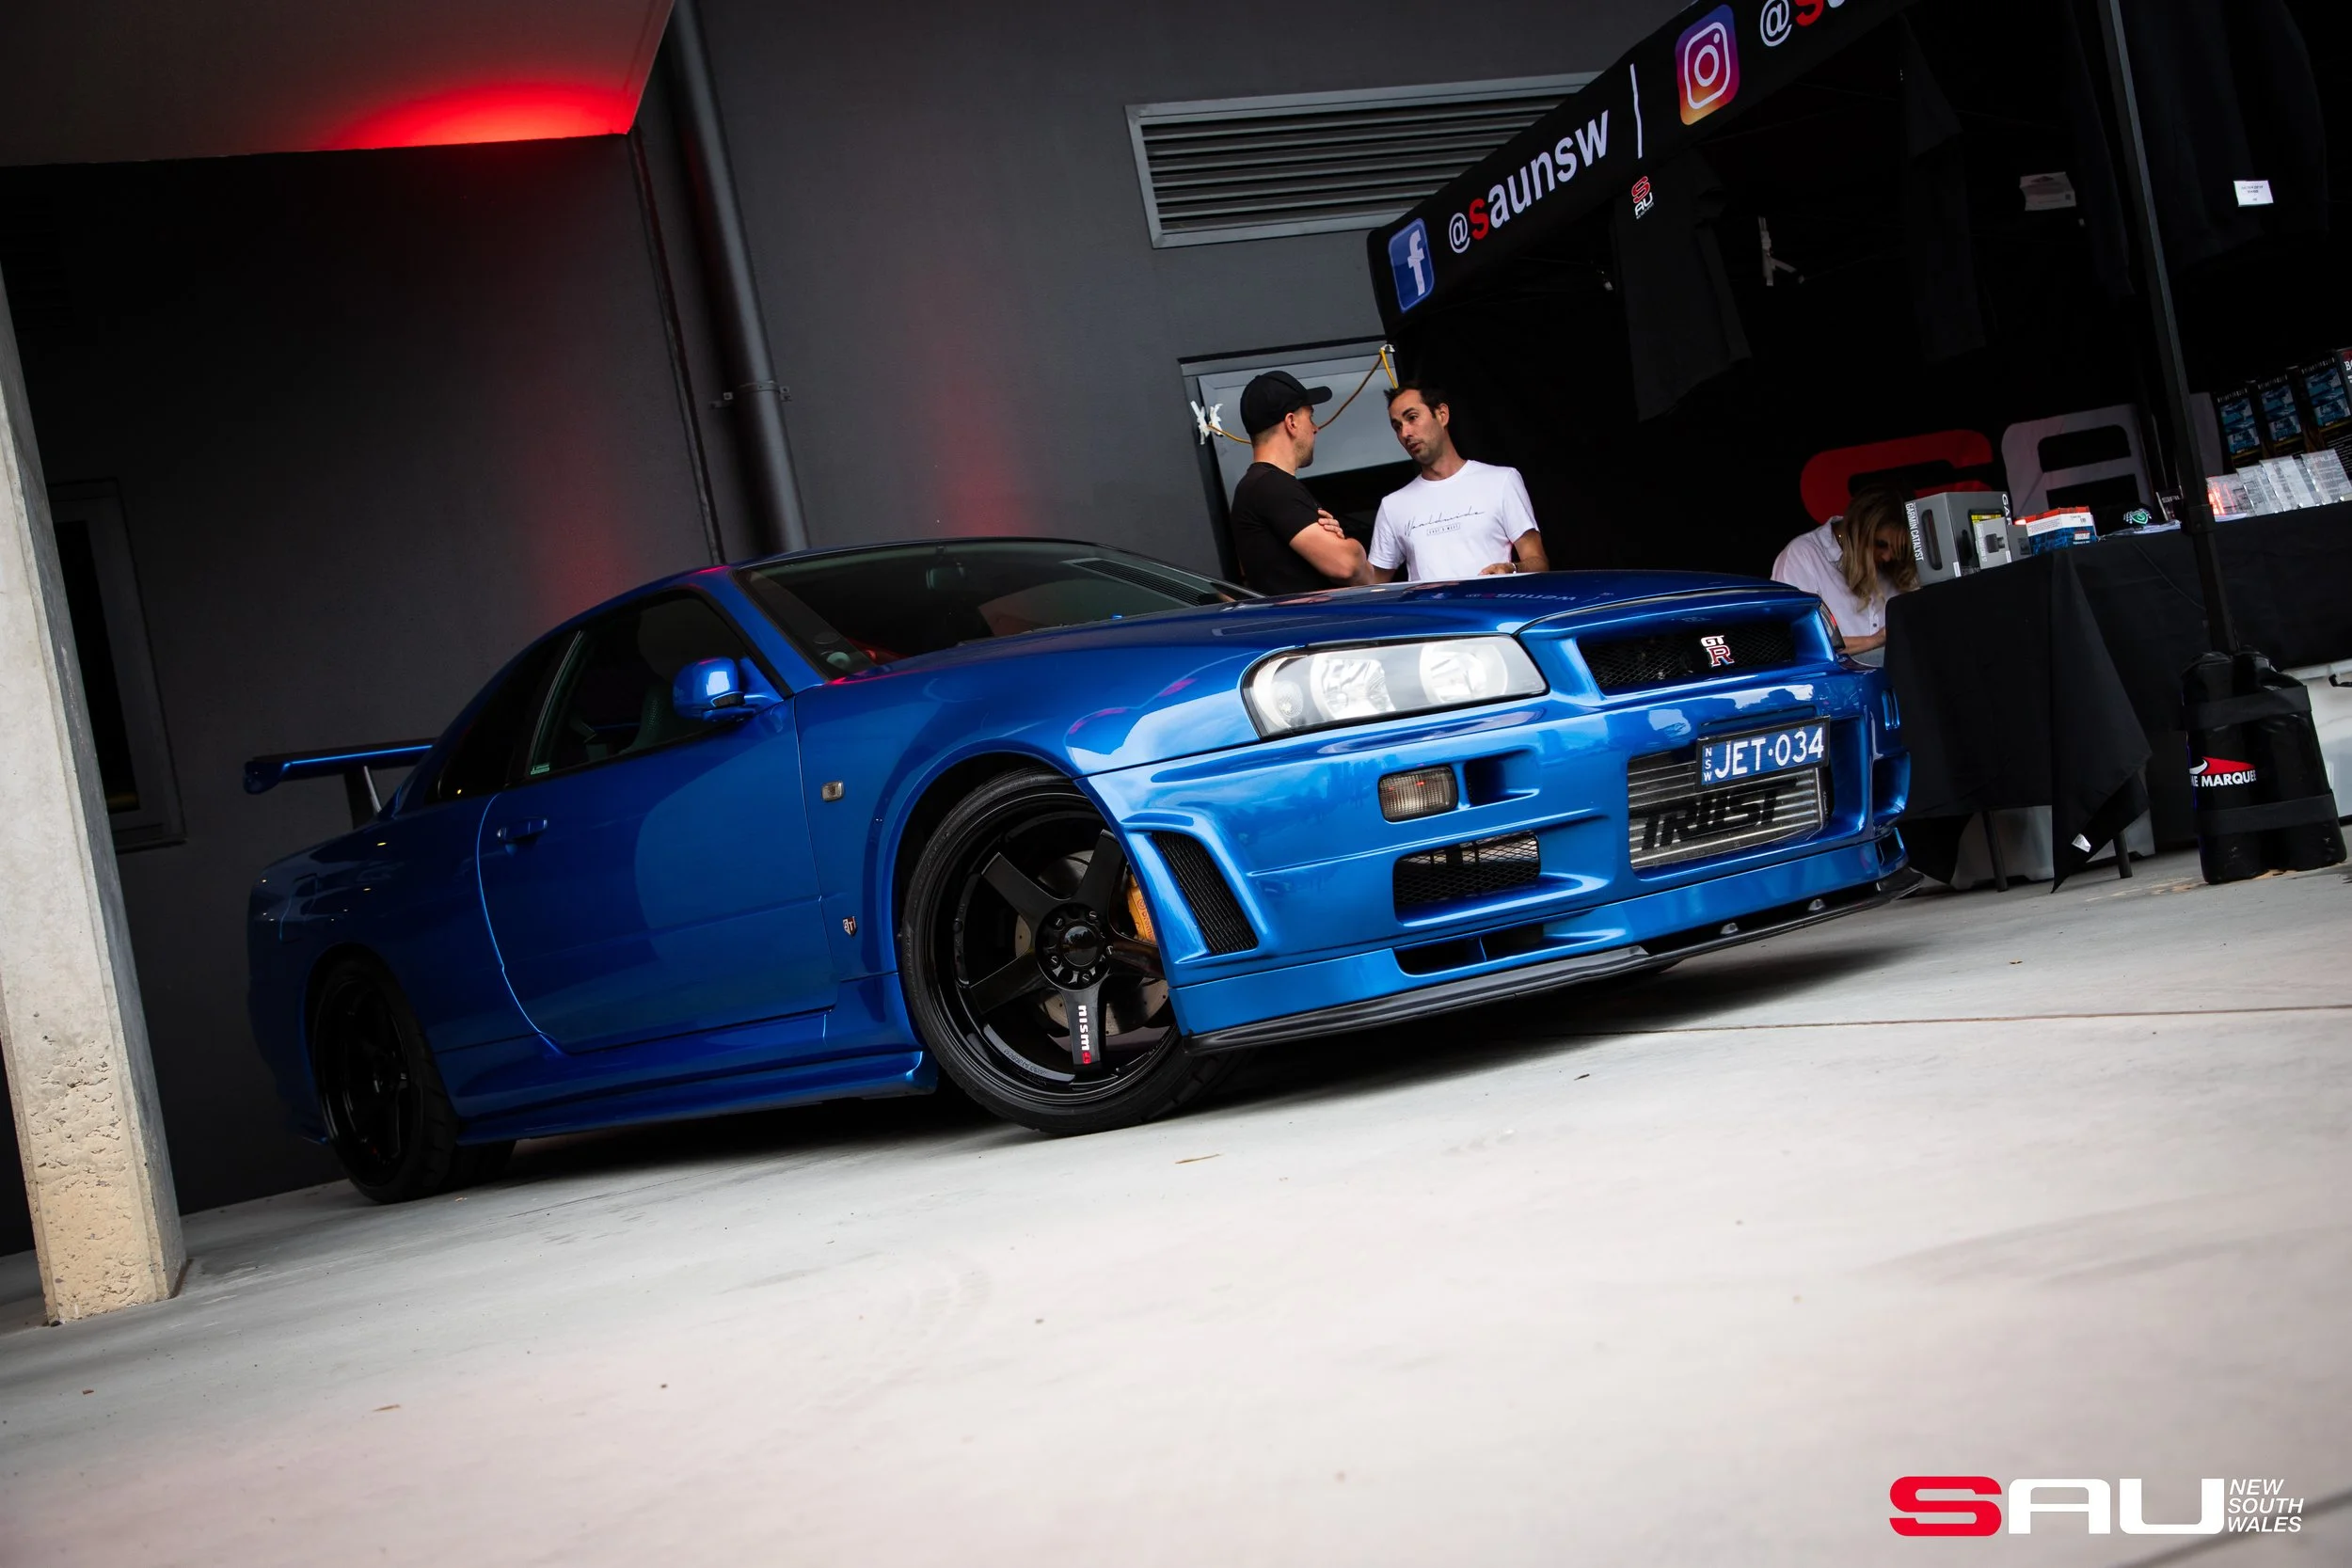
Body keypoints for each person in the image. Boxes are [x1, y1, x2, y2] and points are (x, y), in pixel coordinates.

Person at [1368, 382, 1549, 582]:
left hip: (1494, 602)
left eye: (1412, 418)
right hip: (1430, 605)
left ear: (1442, 415)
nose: (1405, 433)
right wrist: (1346, 555)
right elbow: (1372, 585)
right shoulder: (1393, 506)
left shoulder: (1501, 480)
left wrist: (1511, 568)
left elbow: (1538, 562)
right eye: (1397, 426)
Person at [1225, 371, 1369, 594]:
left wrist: (1341, 546)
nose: (1315, 428)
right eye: (1310, 417)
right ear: (1291, 422)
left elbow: (1365, 577)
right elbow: (1347, 566)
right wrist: (1353, 546)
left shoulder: (1264, 486)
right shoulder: (1270, 487)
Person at [1769, 488, 1919, 655]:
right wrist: (1876, 640)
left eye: (1898, 548)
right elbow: (1796, 640)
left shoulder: (1898, 566)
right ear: (1857, 530)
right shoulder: (1803, 556)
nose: (1888, 557)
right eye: (1880, 544)